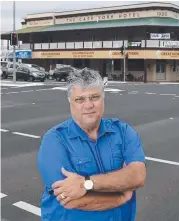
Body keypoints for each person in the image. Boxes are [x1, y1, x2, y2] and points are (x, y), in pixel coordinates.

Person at [37, 67, 146, 221]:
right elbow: (70, 200)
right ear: (70, 101)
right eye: (80, 99)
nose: (88, 105)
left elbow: (137, 176)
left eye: (94, 97)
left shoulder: (123, 132)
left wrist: (86, 183)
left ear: (103, 98)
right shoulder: (54, 140)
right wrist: (120, 198)